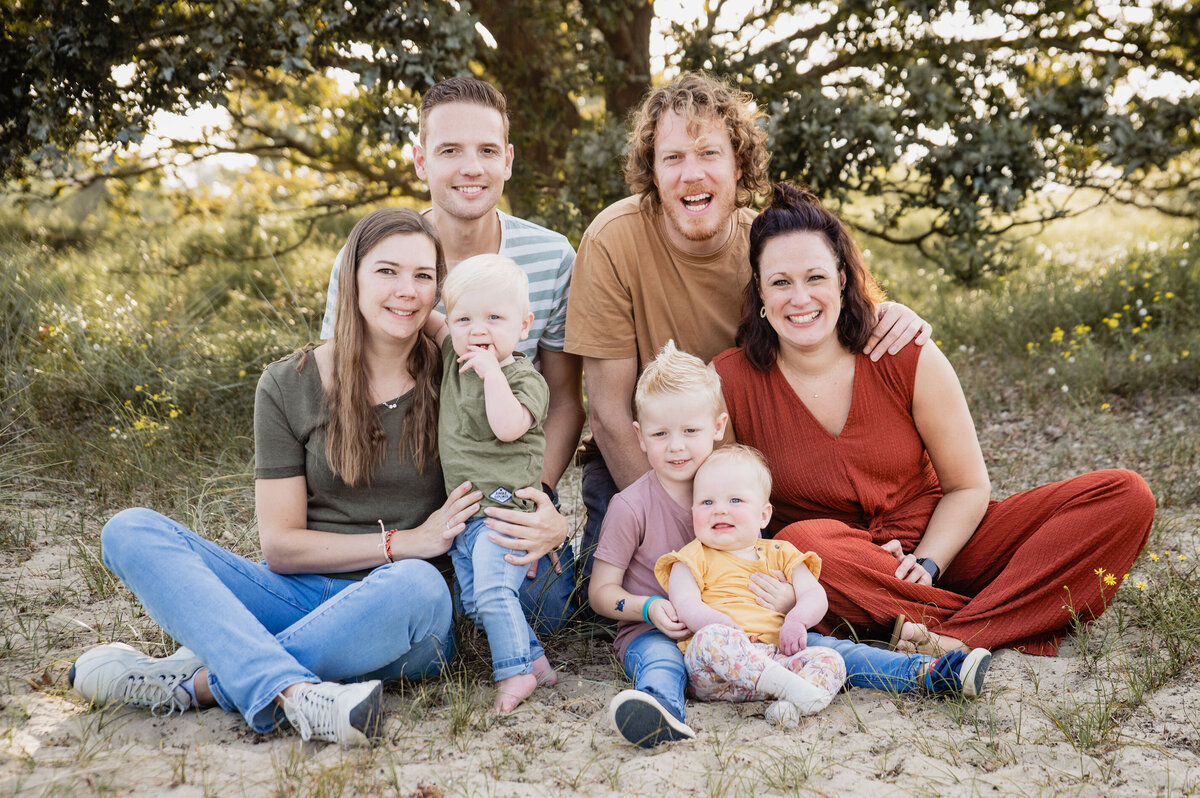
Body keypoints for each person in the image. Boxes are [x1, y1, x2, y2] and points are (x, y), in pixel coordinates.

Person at [69, 208, 484, 746]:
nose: (406, 289)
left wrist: (433, 318)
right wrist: (406, 541)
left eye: (423, 276)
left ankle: (199, 682)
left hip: (404, 618)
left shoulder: (455, 373)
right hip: (296, 594)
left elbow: (490, 346)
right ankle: (291, 691)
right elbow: (283, 547)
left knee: (420, 582)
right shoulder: (288, 383)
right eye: (386, 272)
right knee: (129, 529)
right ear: (349, 278)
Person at [714, 182, 1156, 657]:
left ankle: (945, 632)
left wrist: (927, 564)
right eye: (781, 282)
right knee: (802, 544)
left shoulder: (903, 352)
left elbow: (968, 487)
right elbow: (733, 512)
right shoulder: (729, 382)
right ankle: (994, 619)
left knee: (1125, 496)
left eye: (815, 277)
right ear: (759, 290)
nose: (800, 298)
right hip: (839, 565)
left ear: (842, 278)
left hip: (944, 544)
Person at [565, 71, 931, 586]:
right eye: (673, 158)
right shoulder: (611, 241)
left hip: (751, 459)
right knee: (615, 600)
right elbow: (606, 414)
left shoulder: (766, 245)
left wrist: (898, 314)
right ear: (652, 170)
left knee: (794, 573)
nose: (692, 174)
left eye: (709, 154)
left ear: (739, 164)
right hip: (649, 457)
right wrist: (690, 543)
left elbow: (839, 310)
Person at [321, 77, 582, 623]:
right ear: (420, 161)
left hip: (503, 483)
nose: (471, 167)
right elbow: (338, 375)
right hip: (404, 482)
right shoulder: (376, 254)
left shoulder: (551, 254)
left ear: (508, 160)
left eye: (487, 151)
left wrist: (538, 497)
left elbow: (561, 397)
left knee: (545, 609)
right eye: (449, 151)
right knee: (403, 601)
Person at [657, 445, 991, 731]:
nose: (719, 509)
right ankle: (794, 690)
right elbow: (685, 602)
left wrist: (798, 619)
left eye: (734, 500)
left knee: (831, 658)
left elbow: (814, 594)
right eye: (706, 502)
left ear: (763, 515)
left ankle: (798, 702)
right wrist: (725, 626)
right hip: (716, 668)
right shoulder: (690, 557)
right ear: (692, 513)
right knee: (711, 638)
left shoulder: (781, 552)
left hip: (778, 656)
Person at [431, 254, 558, 712]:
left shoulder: (525, 379)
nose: (478, 329)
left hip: (506, 509)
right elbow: (423, 313)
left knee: (493, 591)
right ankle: (538, 663)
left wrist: (490, 375)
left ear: (523, 325)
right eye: (464, 318)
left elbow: (507, 427)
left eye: (494, 318)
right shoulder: (453, 353)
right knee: (473, 598)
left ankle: (514, 672)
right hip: (467, 515)